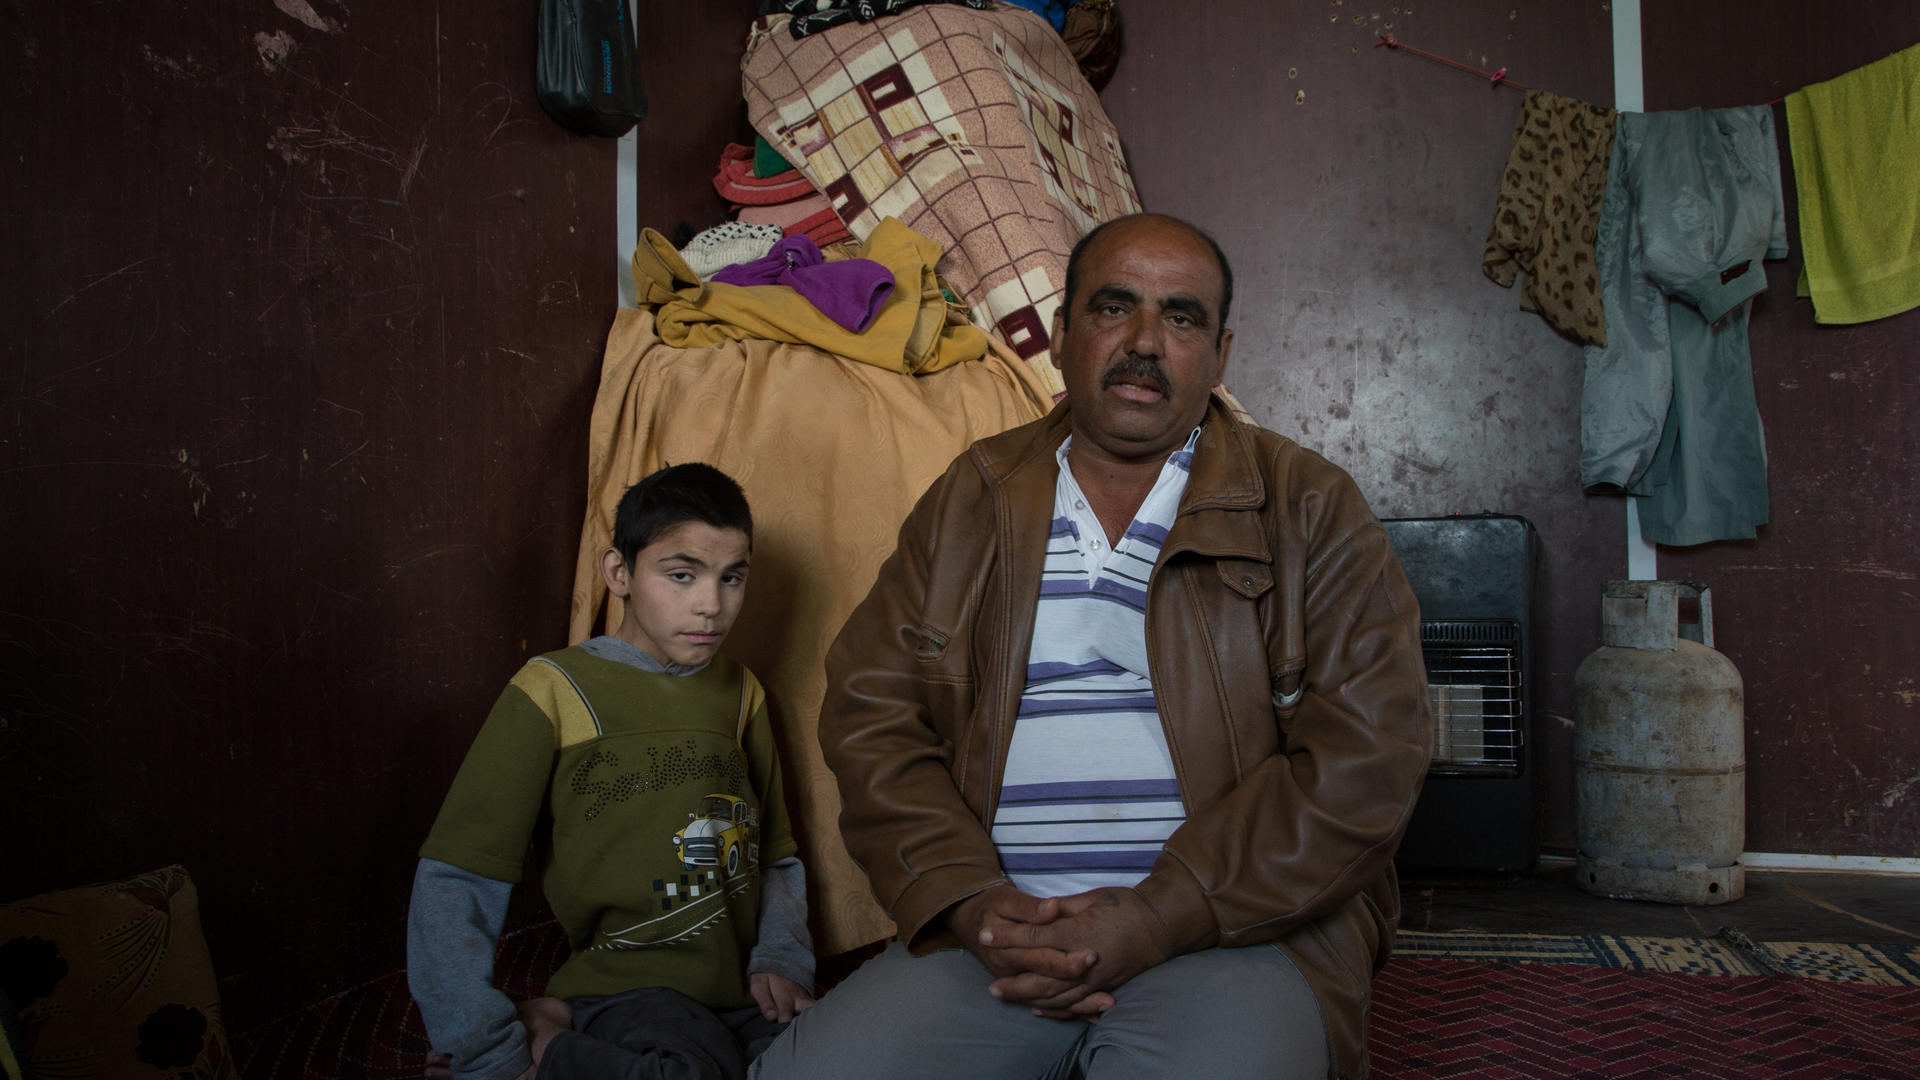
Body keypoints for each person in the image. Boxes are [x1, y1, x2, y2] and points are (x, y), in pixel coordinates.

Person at [752, 214, 1432, 1080]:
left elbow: (1370, 757)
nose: (1145, 342)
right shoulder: (974, 497)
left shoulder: (1308, 505)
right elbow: (872, 714)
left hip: (1239, 933)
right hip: (999, 936)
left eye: (1181, 317)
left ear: (1219, 354)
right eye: (1114, 307)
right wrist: (968, 900)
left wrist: (1158, 917)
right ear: (1062, 333)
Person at [408, 463, 816, 1080]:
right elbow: (459, 875)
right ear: (619, 573)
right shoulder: (553, 688)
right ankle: (548, 1042)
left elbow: (776, 858)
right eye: (681, 575)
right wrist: (484, 1047)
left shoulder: (743, 693)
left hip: (747, 994)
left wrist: (782, 957)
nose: (711, 605)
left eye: (732, 577)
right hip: (630, 989)